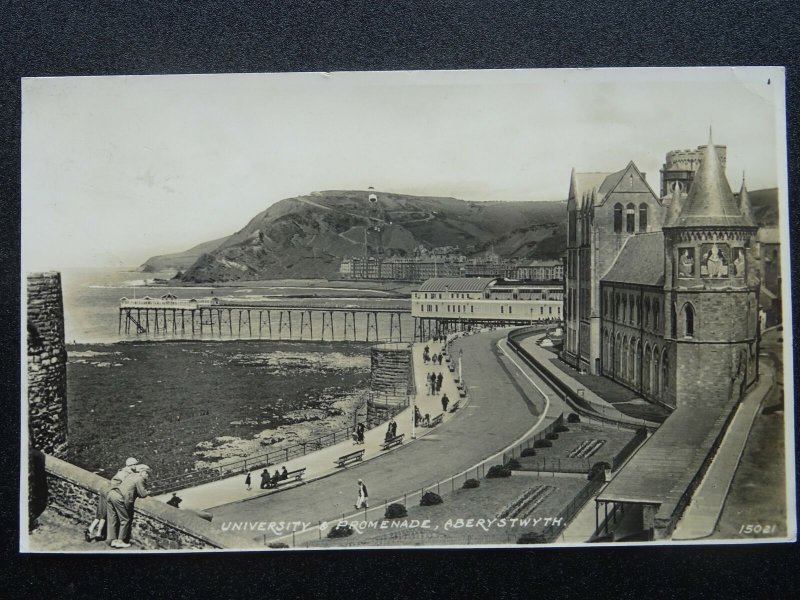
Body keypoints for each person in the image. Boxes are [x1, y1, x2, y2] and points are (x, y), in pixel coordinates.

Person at [86, 457, 139, 542]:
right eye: (135, 464)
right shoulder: (127, 474)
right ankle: (91, 530)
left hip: (106, 490)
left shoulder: (123, 471)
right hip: (109, 492)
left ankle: (96, 533)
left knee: (103, 513)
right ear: (131, 465)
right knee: (102, 513)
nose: (136, 466)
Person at [106, 464, 151, 548]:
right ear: (143, 472)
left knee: (112, 517)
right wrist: (148, 491)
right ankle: (120, 541)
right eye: (147, 473)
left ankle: (111, 540)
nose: (148, 476)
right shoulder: (139, 478)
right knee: (125, 520)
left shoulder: (131, 475)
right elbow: (142, 494)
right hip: (119, 497)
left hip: (112, 493)